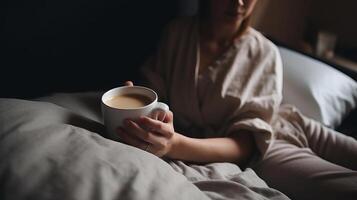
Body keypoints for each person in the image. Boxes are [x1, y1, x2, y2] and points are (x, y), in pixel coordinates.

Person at [117, 0, 357, 199]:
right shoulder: (178, 34)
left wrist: (175, 144)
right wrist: (138, 102)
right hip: (269, 152)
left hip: (273, 132)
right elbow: (155, 91)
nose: (239, 3)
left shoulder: (263, 52)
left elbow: (245, 145)